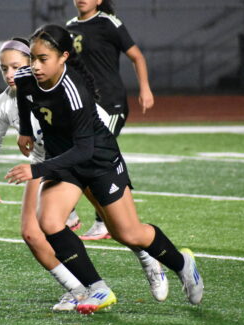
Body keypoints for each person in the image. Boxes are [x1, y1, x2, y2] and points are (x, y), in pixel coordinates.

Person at [5, 25, 203, 315]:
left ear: (63, 57)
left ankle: (183, 264)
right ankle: (97, 288)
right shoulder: (27, 77)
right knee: (48, 221)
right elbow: (25, 96)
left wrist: (37, 170)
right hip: (66, 161)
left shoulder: (75, 91)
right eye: (32, 57)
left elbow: (85, 151)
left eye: (43, 59)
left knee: (129, 233)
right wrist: (25, 130)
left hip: (99, 161)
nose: (34, 65)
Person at [0, 38, 167, 311]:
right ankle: (79, 290)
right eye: (3, 68)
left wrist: (103, 161)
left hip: (83, 161)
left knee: (118, 227)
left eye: (17, 66)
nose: (10, 74)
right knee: (32, 234)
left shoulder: (59, 88)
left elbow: (97, 122)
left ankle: (149, 258)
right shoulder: (5, 102)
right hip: (44, 163)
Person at [67, 0, 155, 241]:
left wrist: (145, 88)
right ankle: (72, 212)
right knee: (75, 149)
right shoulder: (69, 27)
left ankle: (100, 221)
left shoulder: (108, 23)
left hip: (111, 103)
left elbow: (137, 57)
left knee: (96, 152)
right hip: (85, 105)